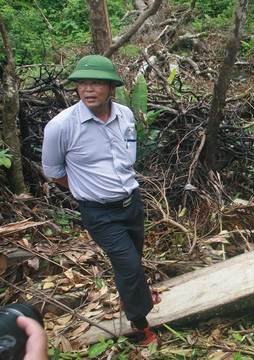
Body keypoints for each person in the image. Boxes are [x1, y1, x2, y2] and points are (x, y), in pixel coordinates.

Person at [42, 55, 160, 346]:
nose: (88, 89)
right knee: (129, 266)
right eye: (82, 83)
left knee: (132, 259)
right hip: (99, 212)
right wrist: (89, 191)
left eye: (96, 82)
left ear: (111, 87)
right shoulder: (61, 126)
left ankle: (135, 296)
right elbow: (54, 171)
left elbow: (128, 154)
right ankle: (140, 324)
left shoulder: (125, 115)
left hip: (131, 202)